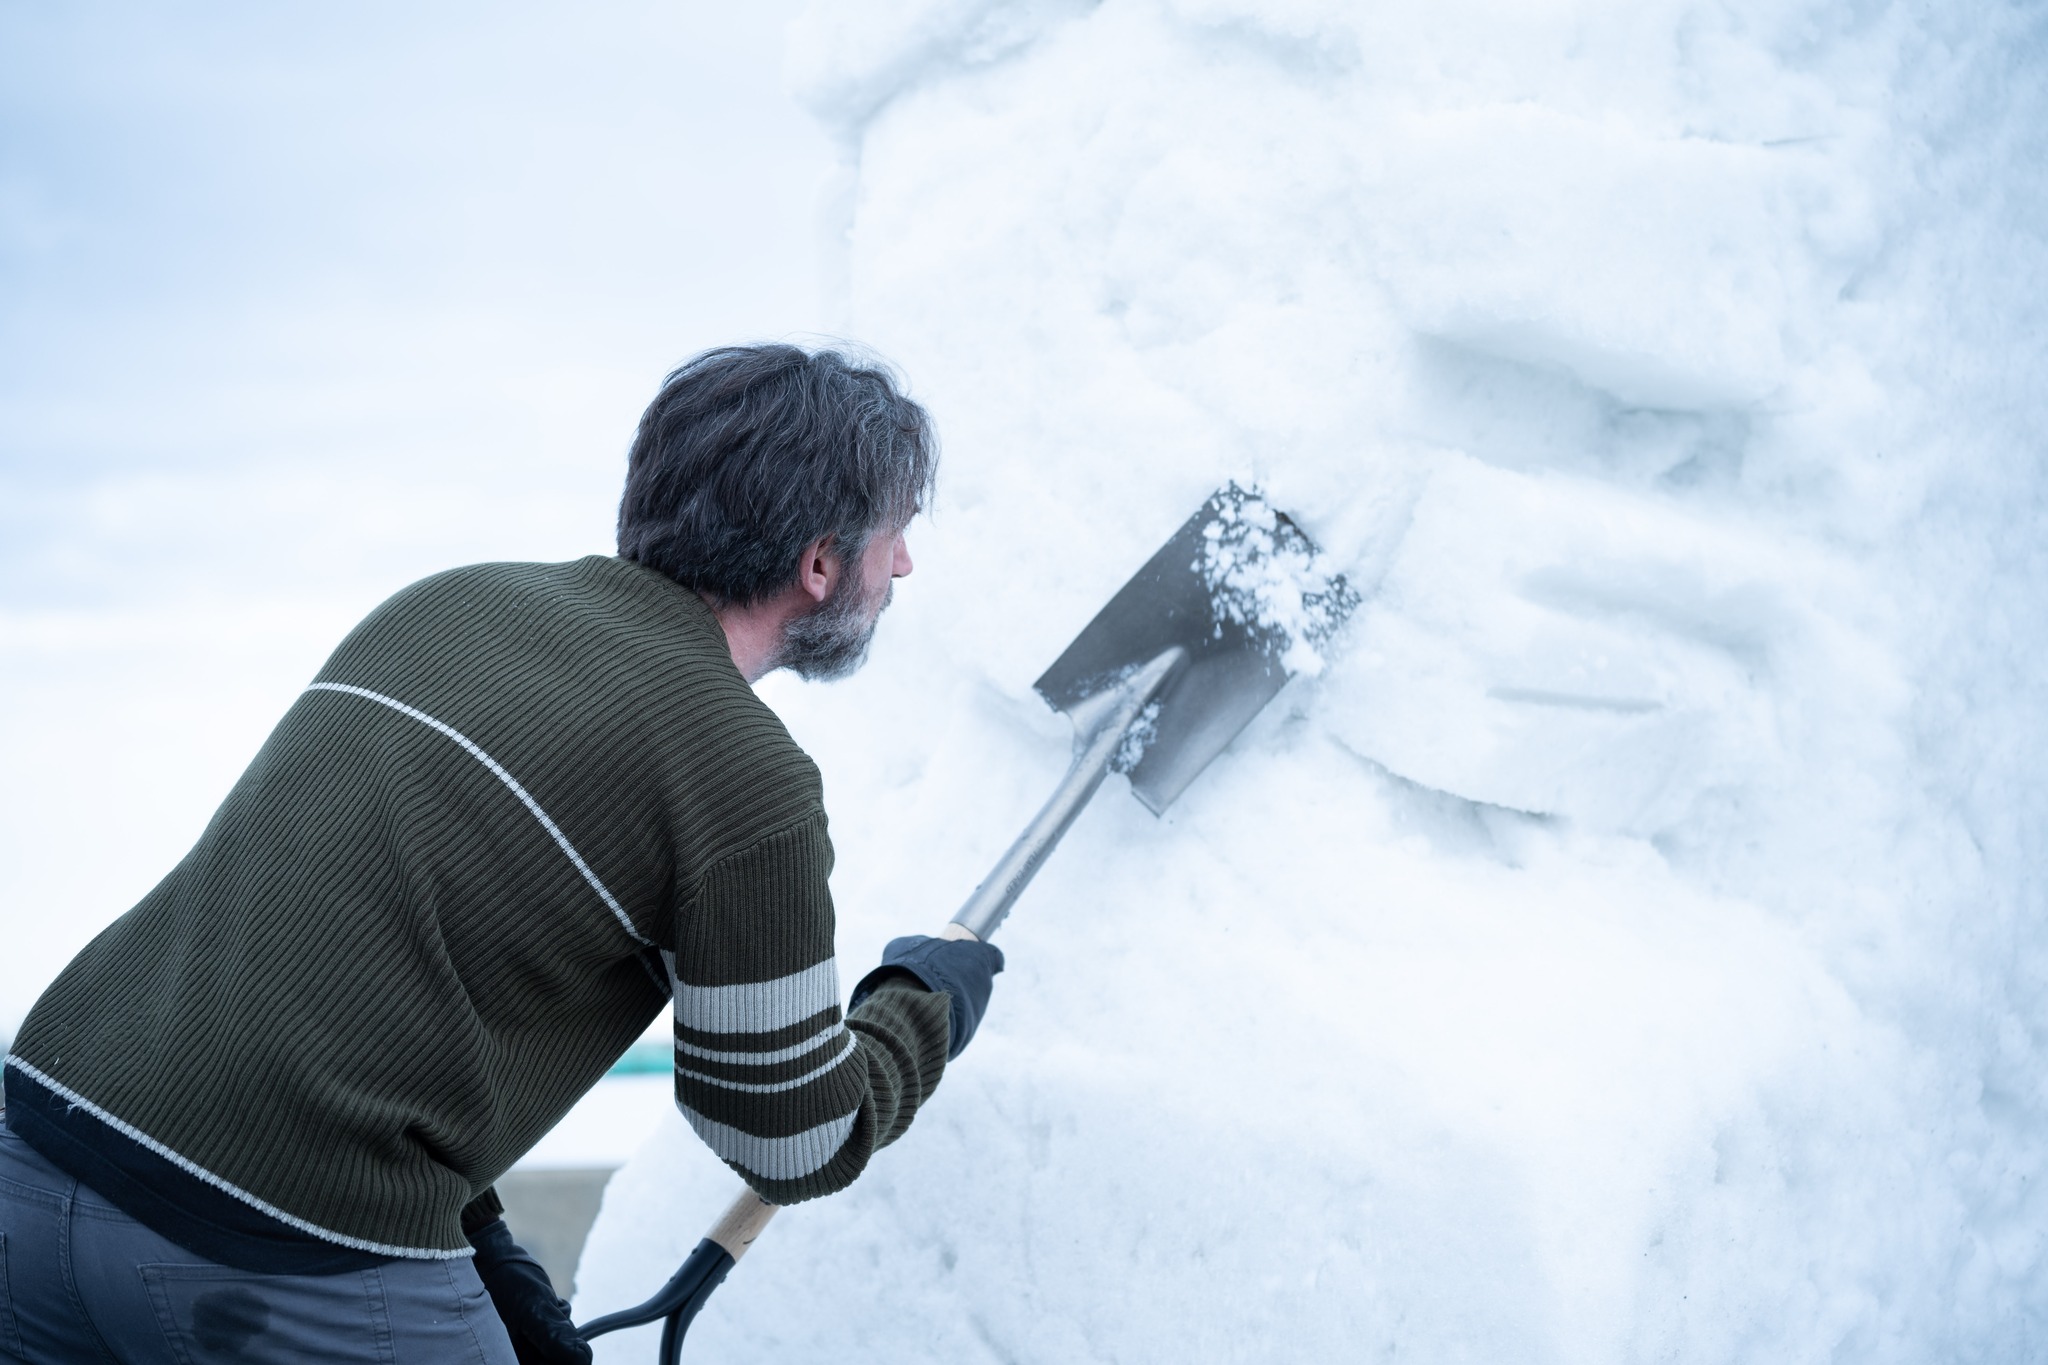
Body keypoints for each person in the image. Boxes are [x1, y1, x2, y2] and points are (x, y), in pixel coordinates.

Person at [0, 344, 1004, 1363]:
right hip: (280, 1250)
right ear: (821, 562)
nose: (905, 566)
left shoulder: (446, 606)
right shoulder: (741, 775)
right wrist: (922, 1004)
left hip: (35, 1158)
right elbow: (789, 1136)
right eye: (896, 534)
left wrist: (485, 1252)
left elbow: (354, 986)